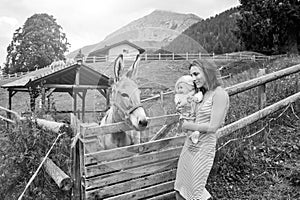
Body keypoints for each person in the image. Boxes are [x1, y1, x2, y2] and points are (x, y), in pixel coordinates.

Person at [174, 59, 230, 200]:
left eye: (196, 74)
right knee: (180, 188)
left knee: (195, 191)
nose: (193, 78)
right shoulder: (201, 94)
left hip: (204, 148)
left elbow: (213, 126)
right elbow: (193, 115)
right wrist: (184, 109)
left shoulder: (220, 94)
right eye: (191, 75)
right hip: (190, 145)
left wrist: (189, 126)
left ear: (207, 72)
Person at [174, 75, 203, 143]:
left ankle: (193, 136)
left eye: (181, 87)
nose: (179, 90)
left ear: (189, 87)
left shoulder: (195, 95)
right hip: (183, 116)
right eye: (178, 88)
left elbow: (199, 97)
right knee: (182, 126)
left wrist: (194, 98)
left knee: (190, 126)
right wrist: (178, 105)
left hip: (193, 115)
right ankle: (181, 137)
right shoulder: (178, 96)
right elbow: (177, 104)